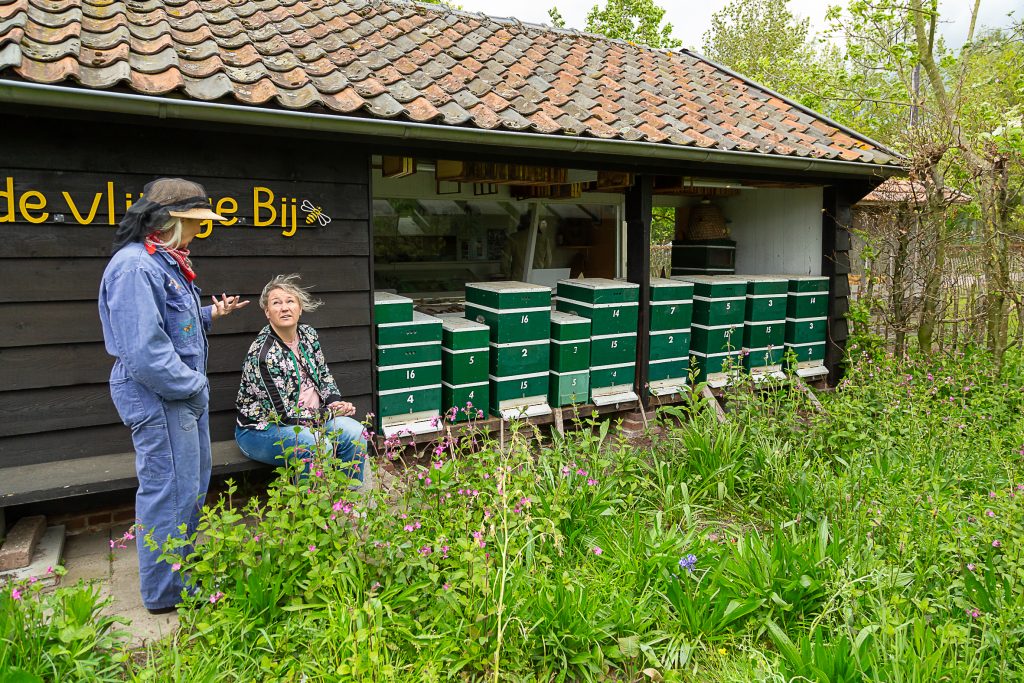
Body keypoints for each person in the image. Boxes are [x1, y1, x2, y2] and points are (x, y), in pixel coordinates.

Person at [98, 178, 249, 615]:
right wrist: (194, 385)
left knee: (190, 486)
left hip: (176, 395)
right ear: (170, 221)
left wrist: (208, 314)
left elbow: (167, 324)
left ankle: (177, 568)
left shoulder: (162, 262)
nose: (202, 231)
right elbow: (143, 350)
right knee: (168, 490)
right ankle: (167, 592)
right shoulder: (135, 268)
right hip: (161, 396)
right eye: (197, 224)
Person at [234, 274, 366, 483]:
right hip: (262, 430)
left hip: (314, 419)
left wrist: (335, 402)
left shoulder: (307, 334)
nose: (284, 308)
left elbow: (323, 375)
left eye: (290, 301)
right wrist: (328, 413)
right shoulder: (262, 355)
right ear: (268, 313)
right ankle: (310, 507)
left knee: (356, 434)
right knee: (316, 445)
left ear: (300, 308)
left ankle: (346, 502)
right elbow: (282, 416)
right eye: (276, 303)